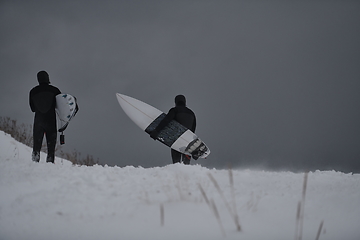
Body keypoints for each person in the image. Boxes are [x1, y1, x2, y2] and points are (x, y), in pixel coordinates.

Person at [150, 95, 196, 165]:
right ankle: (187, 174)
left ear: (176, 102)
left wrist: (156, 131)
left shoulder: (175, 110)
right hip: (187, 142)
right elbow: (193, 130)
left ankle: (177, 174)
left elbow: (166, 121)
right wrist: (193, 149)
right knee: (186, 164)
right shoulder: (192, 113)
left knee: (176, 163)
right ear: (185, 102)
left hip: (176, 141)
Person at [29, 71, 61, 163]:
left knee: (36, 146)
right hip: (51, 120)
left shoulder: (33, 91)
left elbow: (32, 108)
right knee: (51, 148)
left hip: (38, 120)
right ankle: (50, 165)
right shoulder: (55, 90)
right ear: (48, 78)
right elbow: (61, 106)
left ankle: (34, 163)